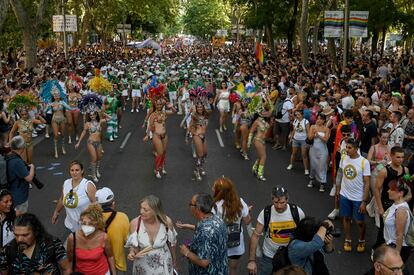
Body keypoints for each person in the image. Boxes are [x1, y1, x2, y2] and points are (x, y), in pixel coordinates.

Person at [247, 186, 305, 275]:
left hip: (291, 256)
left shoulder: (297, 212)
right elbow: (255, 236)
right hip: (270, 256)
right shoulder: (266, 212)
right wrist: (252, 261)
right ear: (272, 199)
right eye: (276, 202)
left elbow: (304, 234)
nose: (279, 206)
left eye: (282, 202)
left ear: (287, 199)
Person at [0, 213, 72, 274]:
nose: (19, 239)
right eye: (16, 235)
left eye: (25, 235)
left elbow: (67, 269)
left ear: (36, 232)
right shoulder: (7, 250)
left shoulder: (52, 244)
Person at [126, 195, 177, 275]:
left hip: (164, 265)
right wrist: (132, 253)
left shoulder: (166, 222)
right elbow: (133, 246)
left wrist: (174, 262)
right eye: (141, 208)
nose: (141, 211)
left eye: (145, 210)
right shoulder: (135, 223)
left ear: (155, 211)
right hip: (143, 267)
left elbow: (172, 244)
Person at [178, 193, 228, 274]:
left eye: (191, 204)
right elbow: (209, 233)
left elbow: (204, 262)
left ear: (197, 208)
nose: (190, 206)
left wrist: (186, 252)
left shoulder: (205, 232)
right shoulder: (216, 218)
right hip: (221, 268)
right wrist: (188, 226)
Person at [211, 177, 251, 275]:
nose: (212, 188)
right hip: (236, 243)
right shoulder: (240, 202)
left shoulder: (215, 206)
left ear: (219, 192)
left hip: (220, 244)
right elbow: (247, 221)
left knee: (219, 268)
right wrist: (245, 213)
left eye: (214, 187)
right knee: (233, 269)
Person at [336, 138, 370, 253]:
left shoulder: (364, 162)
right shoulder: (344, 158)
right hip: (345, 195)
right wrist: (337, 189)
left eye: (349, 148)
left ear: (356, 149)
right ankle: (348, 239)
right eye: (346, 147)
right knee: (346, 218)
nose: (347, 149)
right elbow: (340, 174)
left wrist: (364, 201)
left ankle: (361, 239)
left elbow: (367, 183)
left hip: (358, 198)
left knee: (359, 222)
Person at [373, 146, 409, 250]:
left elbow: (406, 188)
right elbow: (376, 189)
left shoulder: (405, 170)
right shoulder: (384, 171)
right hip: (386, 203)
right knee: (383, 230)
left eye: (402, 157)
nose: (401, 160)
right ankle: (376, 249)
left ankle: (391, 251)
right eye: (398, 157)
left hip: (399, 204)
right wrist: (380, 208)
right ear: (391, 156)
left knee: (398, 230)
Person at [66, 203, 117, 275]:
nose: (86, 226)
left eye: (91, 224)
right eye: (83, 223)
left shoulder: (104, 237)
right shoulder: (72, 238)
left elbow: (110, 256)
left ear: (98, 224)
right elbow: (70, 259)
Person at [52, 160, 97, 234]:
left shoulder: (88, 185)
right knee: (72, 245)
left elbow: (97, 206)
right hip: (70, 226)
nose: (74, 172)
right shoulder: (66, 183)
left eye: (77, 170)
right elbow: (62, 199)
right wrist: (56, 212)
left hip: (86, 228)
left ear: (82, 171)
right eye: (72, 170)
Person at [143, 84, 176, 179]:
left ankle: (162, 167)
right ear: (155, 104)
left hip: (164, 135)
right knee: (160, 153)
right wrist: (147, 135)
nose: (159, 106)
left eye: (160, 104)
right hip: (156, 135)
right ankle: (156, 169)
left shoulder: (164, 113)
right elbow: (149, 125)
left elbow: (174, 112)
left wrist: (170, 106)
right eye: (157, 104)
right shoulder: (153, 115)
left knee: (164, 152)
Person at [96, 187, 130, 275]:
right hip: (117, 264)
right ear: (113, 204)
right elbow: (128, 241)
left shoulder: (91, 219)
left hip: (98, 264)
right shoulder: (122, 217)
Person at [75, 99, 110, 183]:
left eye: (94, 115)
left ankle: (97, 170)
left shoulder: (100, 121)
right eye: (91, 115)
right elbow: (83, 132)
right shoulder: (87, 124)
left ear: (96, 115)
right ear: (89, 116)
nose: (92, 116)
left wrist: (102, 113)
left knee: (99, 157)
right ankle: (93, 175)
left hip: (98, 143)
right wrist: (78, 142)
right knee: (94, 158)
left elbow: (110, 118)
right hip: (90, 142)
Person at [383, 179, 412, 263]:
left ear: (400, 193)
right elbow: (409, 194)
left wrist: (396, 254)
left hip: (397, 247)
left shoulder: (400, 211)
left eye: (391, 190)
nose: (388, 191)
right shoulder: (398, 203)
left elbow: (400, 235)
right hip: (390, 244)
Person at [5, 136, 34, 216]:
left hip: (11, 191)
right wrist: (32, 168)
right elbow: (29, 178)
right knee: (20, 219)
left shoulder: (8, 156)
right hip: (19, 196)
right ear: (21, 147)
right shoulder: (17, 162)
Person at [189, 88, 210, 181]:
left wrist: (203, 100)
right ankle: (197, 171)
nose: (200, 108)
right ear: (196, 108)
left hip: (203, 136)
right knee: (200, 154)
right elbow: (191, 126)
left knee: (205, 154)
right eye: (198, 107)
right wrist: (192, 135)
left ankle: (201, 167)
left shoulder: (206, 115)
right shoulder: (194, 116)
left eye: (201, 107)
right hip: (197, 136)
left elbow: (210, 109)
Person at [308, 113, 330, 192]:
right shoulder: (312, 126)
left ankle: (322, 183)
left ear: (324, 120)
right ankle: (311, 179)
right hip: (313, 149)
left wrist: (318, 135)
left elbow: (326, 140)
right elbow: (309, 137)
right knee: (313, 165)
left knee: (322, 166)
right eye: (318, 118)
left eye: (321, 119)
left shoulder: (326, 129)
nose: (318, 120)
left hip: (323, 150)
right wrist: (314, 135)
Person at [287, 110, 310, 175]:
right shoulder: (295, 120)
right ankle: (291, 164)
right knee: (293, 153)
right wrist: (291, 138)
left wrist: (308, 142)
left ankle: (306, 169)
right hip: (295, 139)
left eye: (298, 114)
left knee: (304, 155)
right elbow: (294, 130)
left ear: (302, 115)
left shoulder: (306, 122)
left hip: (303, 140)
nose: (297, 116)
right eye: (296, 115)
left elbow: (308, 132)